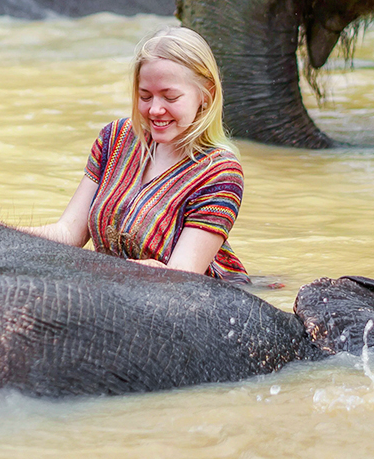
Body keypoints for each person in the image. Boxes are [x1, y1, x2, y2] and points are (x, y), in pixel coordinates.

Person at [29, 26, 248, 281]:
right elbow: (68, 234)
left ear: (206, 94)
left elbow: (181, 277)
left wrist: (94, 272)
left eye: (170, 97)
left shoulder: (220, 173)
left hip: (200, 305)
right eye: (145, 96)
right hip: (117, 290)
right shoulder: (116, 138)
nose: (155, 110)